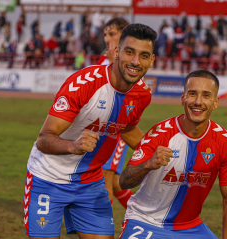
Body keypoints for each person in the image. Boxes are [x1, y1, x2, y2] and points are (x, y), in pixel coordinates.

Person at [23, 23, 157, 238]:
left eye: (143, 55)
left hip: (90, 183)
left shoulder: (142, 94)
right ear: (116, 52)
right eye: (129, 52)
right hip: (48, 178)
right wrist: (74, 146)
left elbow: (128, 127)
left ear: (151, 61)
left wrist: (154, 152)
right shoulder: (83, 84)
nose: (135, 62)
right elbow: (44, 139)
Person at [119, 70, 227, 239]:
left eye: (206, 95)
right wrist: (148, 164)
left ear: (215, 102)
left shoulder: (226, 142)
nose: (198, 102)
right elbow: (124, 181)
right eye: (192, 94)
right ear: (183, 98)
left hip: (191, 227)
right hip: (146, 221)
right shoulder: (160, 134)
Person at [96, 17, 137, 211]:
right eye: (105, 34)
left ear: (124, 35)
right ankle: (143, 216)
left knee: (105, 177)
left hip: (117, 127)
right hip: (100, 125)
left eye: (111, 33)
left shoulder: (128, 61)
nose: (106, 38)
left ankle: (103, 228)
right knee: (112, 182)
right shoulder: (103, 59)